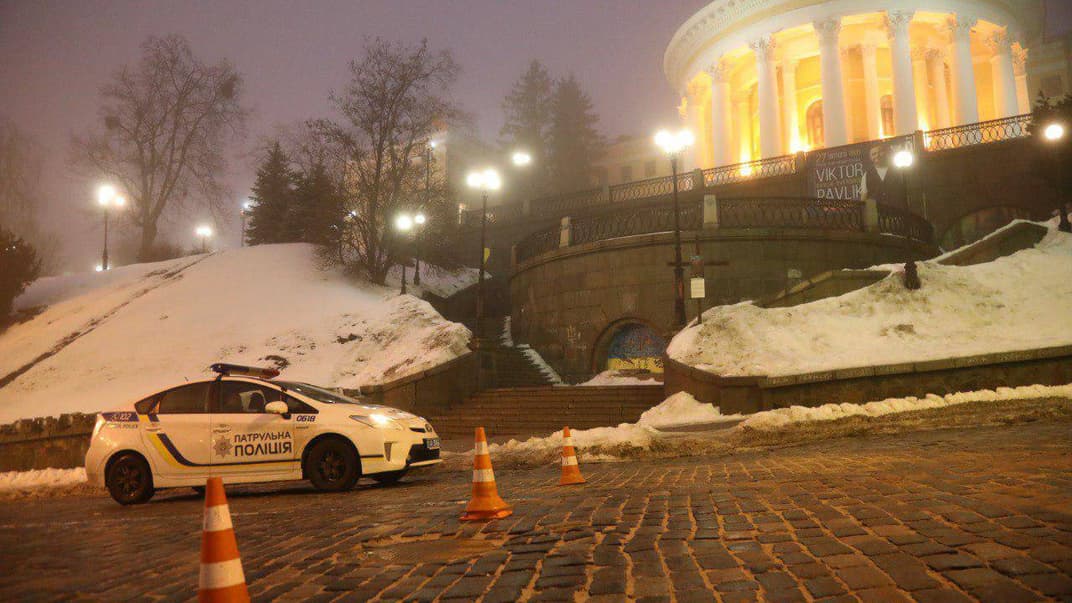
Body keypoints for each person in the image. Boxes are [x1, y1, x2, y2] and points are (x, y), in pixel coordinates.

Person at [860, 143, 908, 208]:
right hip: (876, 212)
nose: (877, 155)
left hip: (896, 211)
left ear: (885, 153)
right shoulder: (866, 175)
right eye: (874, 154)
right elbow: (864, 197)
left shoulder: (898, 170)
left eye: (880, 152)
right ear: (870, 158)